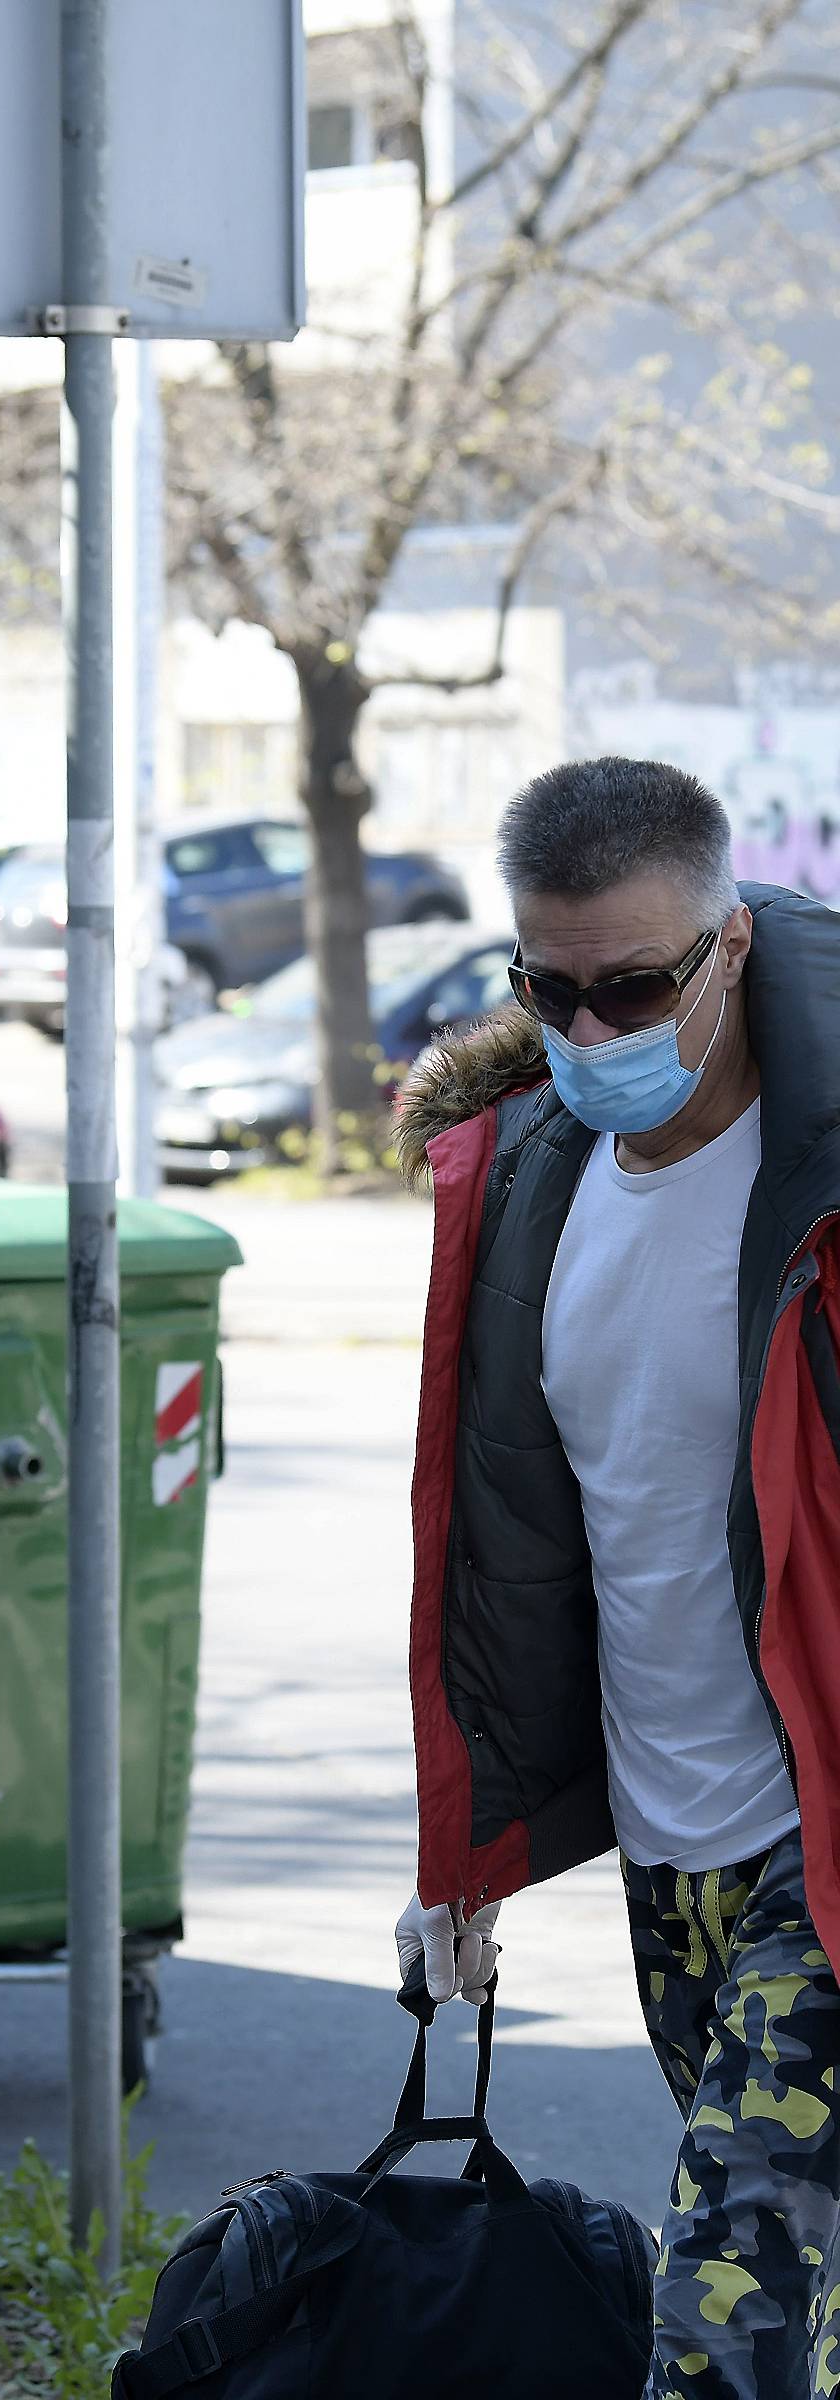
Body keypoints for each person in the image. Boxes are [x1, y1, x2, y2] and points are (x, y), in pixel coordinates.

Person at [394, 757, 840, 2400]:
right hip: (675, 1852)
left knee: (722, 2315)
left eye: (635, 987)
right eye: (551, 991)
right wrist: (466, 1845)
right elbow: (511, 1549)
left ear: (729, 946)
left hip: (828, 1842)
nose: (591, 1036)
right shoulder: (526, 1183)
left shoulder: (825, 1178)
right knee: (804, 2302)